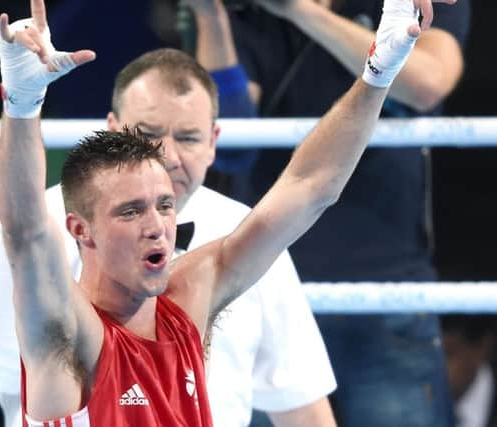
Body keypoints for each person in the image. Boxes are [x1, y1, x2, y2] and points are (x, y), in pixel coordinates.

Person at [0, 0, 448, 424]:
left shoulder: (192, 296)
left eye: (164, 206)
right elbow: (24, 235)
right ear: (80, 230)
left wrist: (378, 72)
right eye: (130, 211)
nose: (156, 225)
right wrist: (20, 105)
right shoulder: (63, 331)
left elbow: (309, 185)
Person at [182, 0, 470, 425]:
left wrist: (300, 11)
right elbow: (230, 142)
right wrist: (210, 17)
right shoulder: (244, 12)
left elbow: (428, 83)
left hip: (387, 281)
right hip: (267, 279)